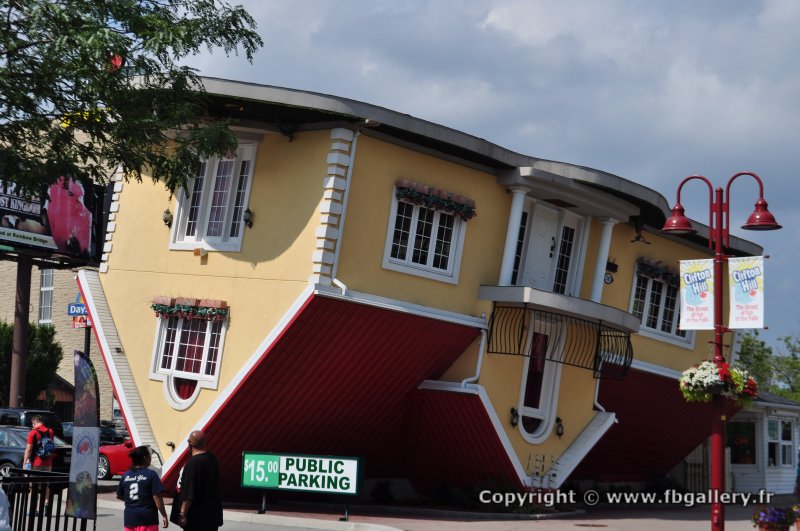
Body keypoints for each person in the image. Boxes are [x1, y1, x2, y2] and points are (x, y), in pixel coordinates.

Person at [170, 431, 222, 531]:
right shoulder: (212, 458)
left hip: (196, 519)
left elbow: (189, 493)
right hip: (211, 517)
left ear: (189, 443)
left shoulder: (193, 463)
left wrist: (182, 513)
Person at [116, 446, 169, 531]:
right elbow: (157, 498)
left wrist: (133, 501)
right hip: (148, 519)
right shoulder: (151, 474)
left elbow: (119, 495)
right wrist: (164, 515)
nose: (150, 459)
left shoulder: (126, 475)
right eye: (149, 456)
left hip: (130, 518)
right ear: (145, 458)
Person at [23, 415, 55, 516]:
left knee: (33, 486)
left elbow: (28, 449)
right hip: (48, 463)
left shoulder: (33, 433)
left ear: (34, 423)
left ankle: (34, 509)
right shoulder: (50, 431)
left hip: (36, 463)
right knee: (46, 485)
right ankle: (47, 504)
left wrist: (25, 463)